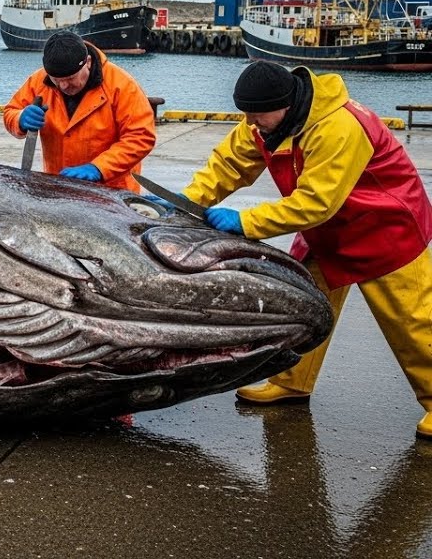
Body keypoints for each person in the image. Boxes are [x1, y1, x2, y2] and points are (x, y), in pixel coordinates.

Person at [172, 61, 432, 439]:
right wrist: (189, 199)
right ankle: (291, 382)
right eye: (247, 114)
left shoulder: (340, 126)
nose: (251, 123)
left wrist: (246, 222)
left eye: (257, 115)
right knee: (304, 306)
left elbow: (317, 201)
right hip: (326, 232)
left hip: (385, 227)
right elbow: (228, 164)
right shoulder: (266, 121)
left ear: (285, 105)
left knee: (413, 321)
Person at [2, 31, 155, 191]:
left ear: (87, 62)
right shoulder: (39, 81)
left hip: (111, 193)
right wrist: (19, 119)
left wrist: (99, 168)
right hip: (58, 188)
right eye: (56, 80)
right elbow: (11, 111)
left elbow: (140, 136)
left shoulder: (122, 86)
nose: (63, 86)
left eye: (70, 79)